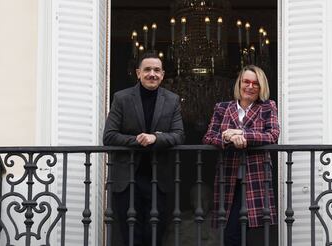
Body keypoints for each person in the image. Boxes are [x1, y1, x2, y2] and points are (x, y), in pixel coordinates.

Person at [103, 51, 185, 246]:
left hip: (159, 179)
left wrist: (155, 138)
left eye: (157, 70)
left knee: (155, 236)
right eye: (147, 69)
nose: (152, 74)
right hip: (127, 179)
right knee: (131, 236)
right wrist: (137, 140)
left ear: (163, 74)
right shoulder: (121, 98)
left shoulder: (172, 100)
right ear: (138, 73)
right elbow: (109, 136)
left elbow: (179, 135)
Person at [202, 65, 280, 245]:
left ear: (261, 87)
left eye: (255, 83)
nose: (250, 86)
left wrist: (241, 134)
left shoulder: (267, 107)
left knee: (255, 235)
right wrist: (226, 137)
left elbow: (272, 135)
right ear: (239, 83)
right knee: (231, 234)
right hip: (228, 178)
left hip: (256, 177)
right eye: (246, 81)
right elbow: (208, 137)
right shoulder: (222, 108)